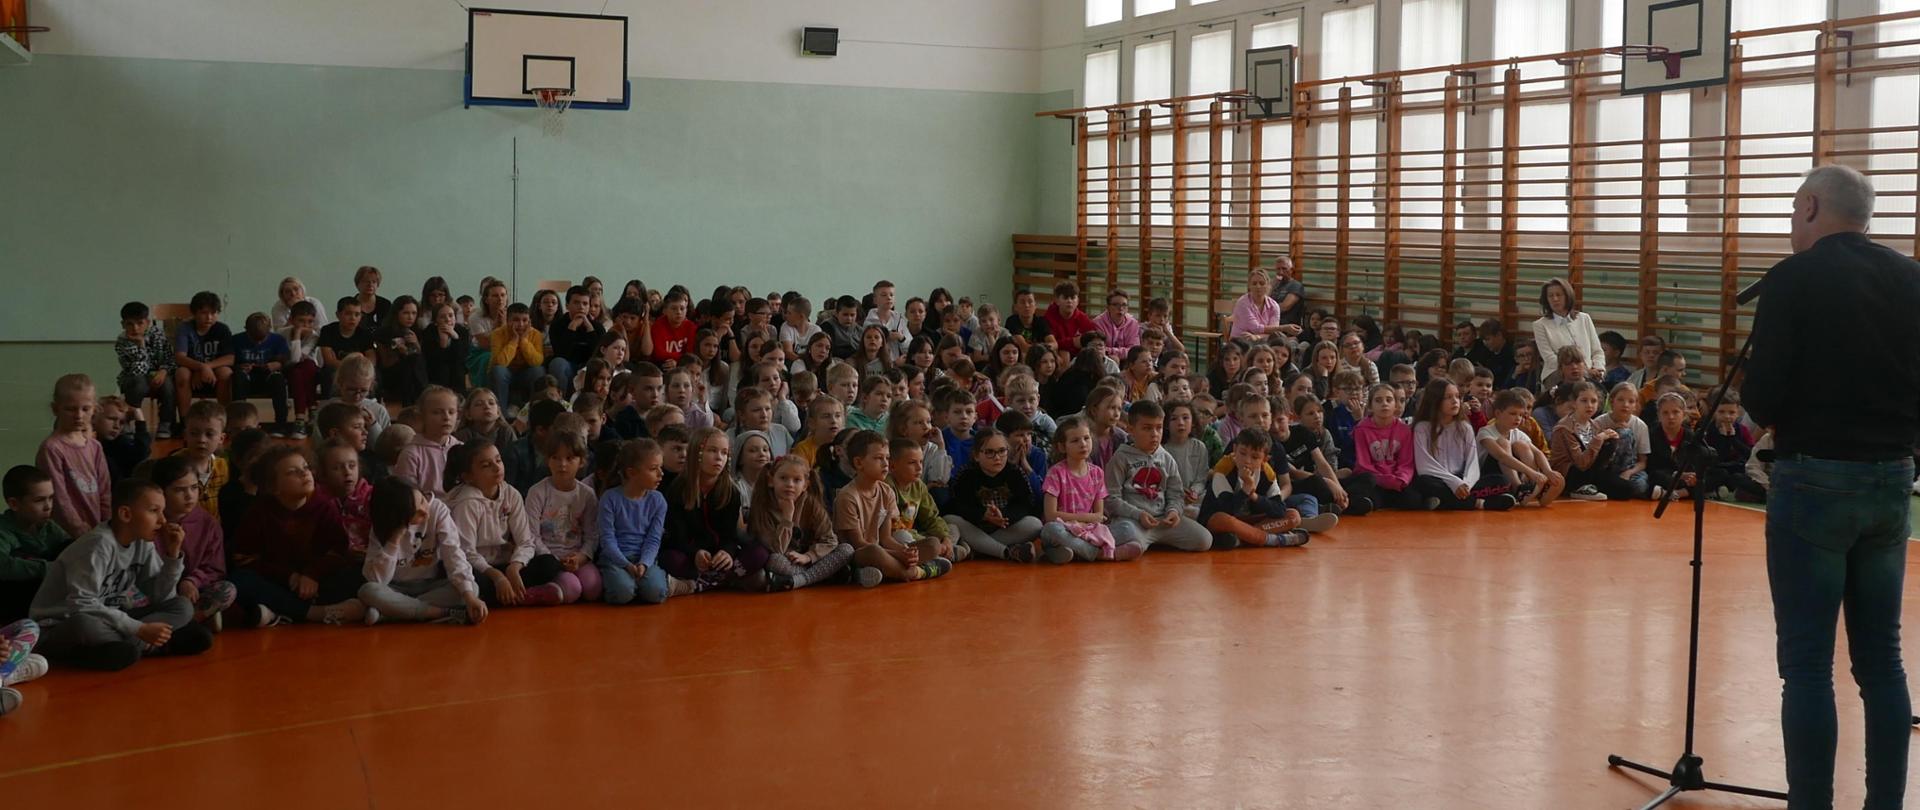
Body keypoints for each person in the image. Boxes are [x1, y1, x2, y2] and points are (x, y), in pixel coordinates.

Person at [1743, 164, 1920, 809]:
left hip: (1813, 481)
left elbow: (1761, 397)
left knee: (1809, 666)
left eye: (1795, 212)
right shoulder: (1911, 276)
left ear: (1811, 206)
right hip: (1892, 483)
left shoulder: (1793, 278)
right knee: (1883, 662)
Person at [29, 480, 213, 671]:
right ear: (126, 514)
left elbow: (161, 597)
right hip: (62, 623)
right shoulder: (97, 545)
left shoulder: (143, 543)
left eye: (162, 511)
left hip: (110, 616)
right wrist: (139, 629)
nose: (163, 520)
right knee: (84, 624)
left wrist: (173, 555)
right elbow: (81, 604)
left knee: (182, 606)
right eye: (153, 510)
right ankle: (149, 645)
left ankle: (127, 648)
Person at [357, 476, 486, 625]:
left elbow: (453, 553)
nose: (426, 512)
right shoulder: (383, 526)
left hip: (429, 586)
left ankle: (390, 613)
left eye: (423, 501)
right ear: (397, 517)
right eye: (416, 513)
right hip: (395, 588)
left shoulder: (437, 509)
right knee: (368, 590)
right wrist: (395, 538)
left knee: (471, 589)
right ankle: (437, 613)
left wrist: (469, 596)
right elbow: (377, 580)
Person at [38, 374, 113, 540]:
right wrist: (78, 528)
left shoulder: (95, 447)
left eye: (85, 409)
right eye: (71, 409)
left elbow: (104, 489)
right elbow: (58, 496)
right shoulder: (52, 448)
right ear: (56, 409)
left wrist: (108, 524)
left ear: (94, 409)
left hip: (98, 531)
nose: (79, 415)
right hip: (65, 535)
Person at [1, 467, 71, 622]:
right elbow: (3, 566)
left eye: (51, 498)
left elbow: (72, 551)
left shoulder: (48, 526)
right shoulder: (3, 530)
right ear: (14, 504)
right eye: (39, 500)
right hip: (15, 608)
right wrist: (50, 568)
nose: (48, 506)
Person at [115, 302, 178, 438]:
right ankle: (127, 421)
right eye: (129, 324)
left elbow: (170, 359)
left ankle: (166, 424)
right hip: (132, 377)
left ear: (148, 322)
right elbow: (138, 371)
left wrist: (163, 371)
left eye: (140, 323)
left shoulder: (158, 335)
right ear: (123, 325)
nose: (135, 328)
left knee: (167, 384)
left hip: (158, 374)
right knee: (139, 384)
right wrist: (141, 345)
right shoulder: (122, 342)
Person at [1529, 278, 1604, 384]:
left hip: (1590, 373)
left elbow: (1597, 351)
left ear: (1567, 296)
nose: (1555, 299)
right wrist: (1584, 372)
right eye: (1551, 296)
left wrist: (1599, 368)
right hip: (1557, 374)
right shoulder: (1540, 325)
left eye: (1559, 295)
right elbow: (1550, 359)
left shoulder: (1584, 318)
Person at [1230, 266, 1295, 342]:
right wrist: (1284, 328)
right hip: (1240, 343)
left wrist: (1257, 337)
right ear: (1249, 286)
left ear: (1268, 285)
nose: (1258, 286)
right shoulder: (1243, 303)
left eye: (1262, 283)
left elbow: (1273, 332)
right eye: (1254, 283)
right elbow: (1255, 328)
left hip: (1263, 342)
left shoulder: (1274, 306)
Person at [1267, 255, 1309, 331]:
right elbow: (1261, 301)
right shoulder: (1273, 285)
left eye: (1284, 269)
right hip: (1270, 323)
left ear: (1291, 270)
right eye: (1278, 269)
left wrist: (1265, 309)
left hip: (1287, 325)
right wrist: (1270, 287)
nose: (1281, 272)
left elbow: (1284, 307)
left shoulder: (1296, 286)